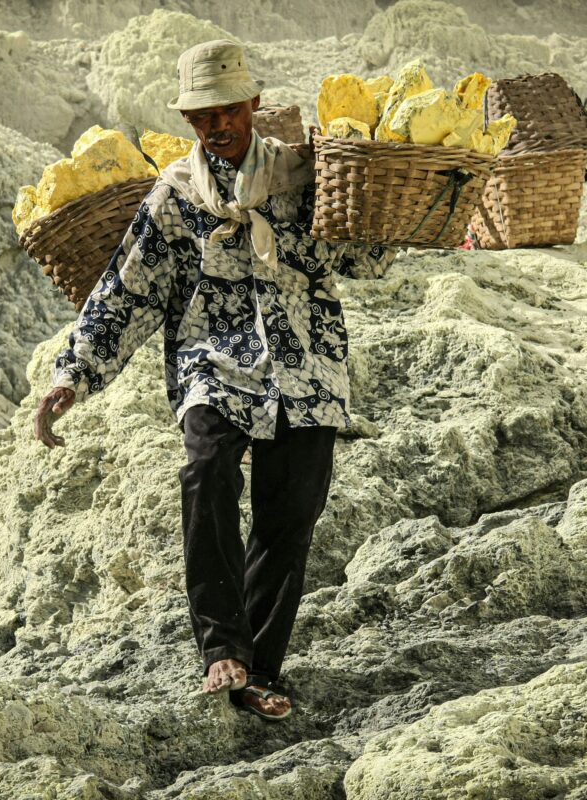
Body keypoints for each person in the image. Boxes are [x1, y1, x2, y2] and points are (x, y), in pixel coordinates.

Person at [34, 39, 393, 721]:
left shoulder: (304, 177)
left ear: (254, 104)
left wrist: (383, 208)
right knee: (207, 472)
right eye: (203, 116)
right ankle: (221, 647)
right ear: (188, 120)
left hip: (307, 364)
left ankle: (260, 671)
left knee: (290, 517)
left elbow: (366, 262)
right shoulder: (173, 197)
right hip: (213, 362)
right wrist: (73, 376)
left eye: (228, 111)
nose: (217, 125)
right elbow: (127, 291)